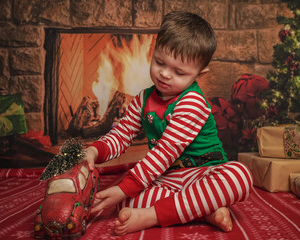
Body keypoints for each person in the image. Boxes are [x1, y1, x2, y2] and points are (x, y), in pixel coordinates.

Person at [84, 11, 253, 236]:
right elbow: (122, 134)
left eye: (179, 72)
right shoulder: (143, 99)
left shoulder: (192, 102)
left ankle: (152, 216)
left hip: (204, 172)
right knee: (124, 203)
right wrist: (95, 151)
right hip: (168, 177)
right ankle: (203, 210)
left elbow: (165, 152)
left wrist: (125, 187)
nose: (164, 74)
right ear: (153, 52)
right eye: (159, 62)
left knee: (239, 176)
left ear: (198, 75)